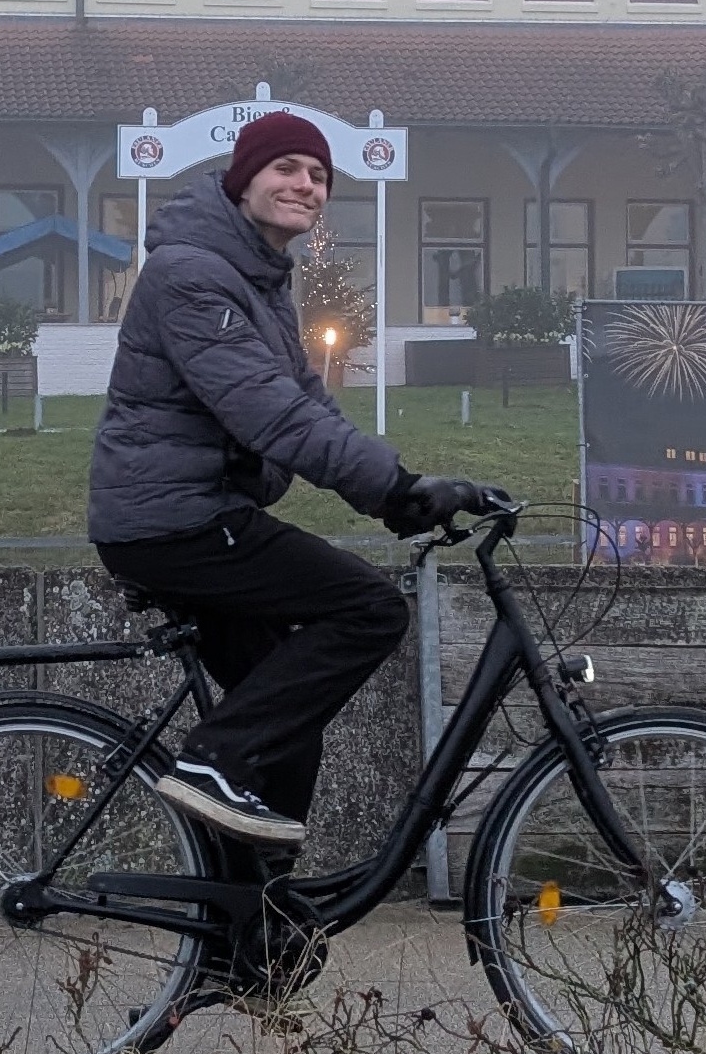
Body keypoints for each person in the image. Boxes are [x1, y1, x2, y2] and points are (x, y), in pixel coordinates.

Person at [88, 111, 493, 848]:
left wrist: (408, 493)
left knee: (283, 729)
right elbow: (269, 412)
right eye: (286, 169)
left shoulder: (256, 280)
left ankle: (251, 946)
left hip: (199, 514)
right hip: (177, 522)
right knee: (371, 609)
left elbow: (306, 397)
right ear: (244, 180)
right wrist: (394, 487)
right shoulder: (191, 274)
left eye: (318, 176)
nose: (304, 185)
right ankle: (211, 759)